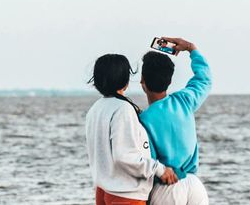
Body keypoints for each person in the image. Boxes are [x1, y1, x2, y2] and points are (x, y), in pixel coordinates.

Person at [85, 54, 178, 205]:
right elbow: (125, 156)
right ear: (125, 81)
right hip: (125, 194)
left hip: (103, 190)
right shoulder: (122, 108)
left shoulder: (96, 108)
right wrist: (160, 169)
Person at [139, 37, 212, 205]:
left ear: (143, 81)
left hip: (168, 187)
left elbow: (148, 162)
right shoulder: (184, 100)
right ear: (170, 81)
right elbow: (204, 79)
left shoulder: (143, 120)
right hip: (194, 185)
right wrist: (191, 48)